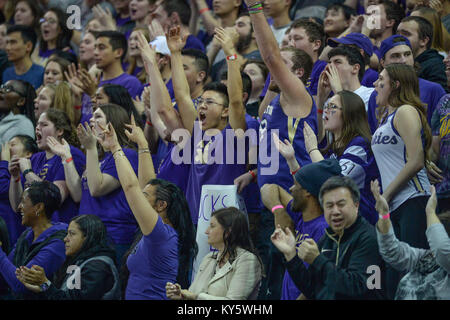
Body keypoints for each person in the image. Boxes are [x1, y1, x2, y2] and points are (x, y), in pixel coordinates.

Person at [97, 118, 197, 300]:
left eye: (145, 198)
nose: (140, 201)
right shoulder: (160, 231)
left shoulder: (162, 235)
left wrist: (115, 148)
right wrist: (143, 145)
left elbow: (131, 188)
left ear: (161, 206)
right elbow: (147, 185)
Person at [271, 175, 386, 300]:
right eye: (329, 206)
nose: (335, 211)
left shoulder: (369, 238)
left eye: (341, 204)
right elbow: (313, 290)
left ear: (356, 205)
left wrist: (317, 260)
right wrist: (291, 256)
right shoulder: (328, 238)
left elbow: (358, 287)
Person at [372, 63, 433, 298]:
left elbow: (416, 159)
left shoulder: (406, 111)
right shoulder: (385, 117)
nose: (376, 84)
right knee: (394, 278)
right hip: (393, 205)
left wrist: (386, 195)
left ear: (395, 85)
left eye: (381, 80)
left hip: (413, 200)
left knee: (414, 279)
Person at [260, 159, 339, 300]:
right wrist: (278, 210)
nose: (290, 189)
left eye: (296, 185)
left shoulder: (323, 229)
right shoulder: (300, 216)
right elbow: (268, 188)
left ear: (307, 192)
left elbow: (318, 282)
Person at [304, 90, 380, 224]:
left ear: (348, 113)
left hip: (363, 225)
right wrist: (291, 159)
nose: (326, 111)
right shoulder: (332, 149)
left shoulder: (361, 146)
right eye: (326, 106)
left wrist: (312, 149)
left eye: (332, 107)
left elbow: (335, 183)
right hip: (341, 223)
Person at [372, 181, 450, 300]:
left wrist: (430, 212)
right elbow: (391, 252)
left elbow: (441, 249)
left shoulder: (445, 261)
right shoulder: (426, 258)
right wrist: (384, 215)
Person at [16, 214, 121, 300]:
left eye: (72, 234)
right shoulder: (79, 260)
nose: (65, 239)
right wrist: (41, 288)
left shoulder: (98, 267)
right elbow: (62, 295)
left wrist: (45, 284)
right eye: (67, 234)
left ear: (88, 237)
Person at [166, 207, 263, 300]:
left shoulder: (248, 260)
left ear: (228, 231)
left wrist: (195, 297)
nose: (206, 231)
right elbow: (193, 293)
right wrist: (182, 296)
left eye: (212, 226)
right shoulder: (209, 258)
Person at [8, 108, 85, 224]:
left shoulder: (72, 154)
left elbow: (56, 197)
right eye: (37, 124)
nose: (38, 128)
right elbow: (16, 205)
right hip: (34, 231)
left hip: (60, 230)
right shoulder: (35, 158)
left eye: (44, 124)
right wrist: (15, 178)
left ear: (59, 131)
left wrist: (28, 172)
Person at [0, 181, 66, 298]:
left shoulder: (58, 242)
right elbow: (5, 272)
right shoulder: (28, 234)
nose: (19, 206)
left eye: (23, 202)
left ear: (39, 207)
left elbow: (22, 285)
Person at [367, 35, 446, 132]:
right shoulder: (376, 94)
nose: (403, 60)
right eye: (395, 56)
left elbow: (442, 133)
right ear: (383, 62)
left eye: (407, 54)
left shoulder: (433, 90)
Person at [0, 135, 38, 246]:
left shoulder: (26, 174)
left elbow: (3, 189)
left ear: (28, 154)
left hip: (13, 235)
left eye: (12, 145)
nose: (7, 149)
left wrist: (4, 162)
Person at [397, 15, 448, 91]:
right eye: (397, 33)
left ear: (424, 41)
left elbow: (439, 99)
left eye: (406, 34)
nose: (398, 38)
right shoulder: (395, 62)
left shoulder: (435, 66)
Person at [3, 25, 44, 89]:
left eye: (13, 42)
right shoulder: (6, 73)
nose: (7, 48)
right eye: (7, 43)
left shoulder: (42, 74)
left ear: (28, 46)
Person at [0, 79, 35, 145]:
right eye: (2, 87)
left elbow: (19, 154)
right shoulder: (3, 119)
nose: (1, 91)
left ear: (21, 101)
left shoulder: (24, 125)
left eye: (8, 89)